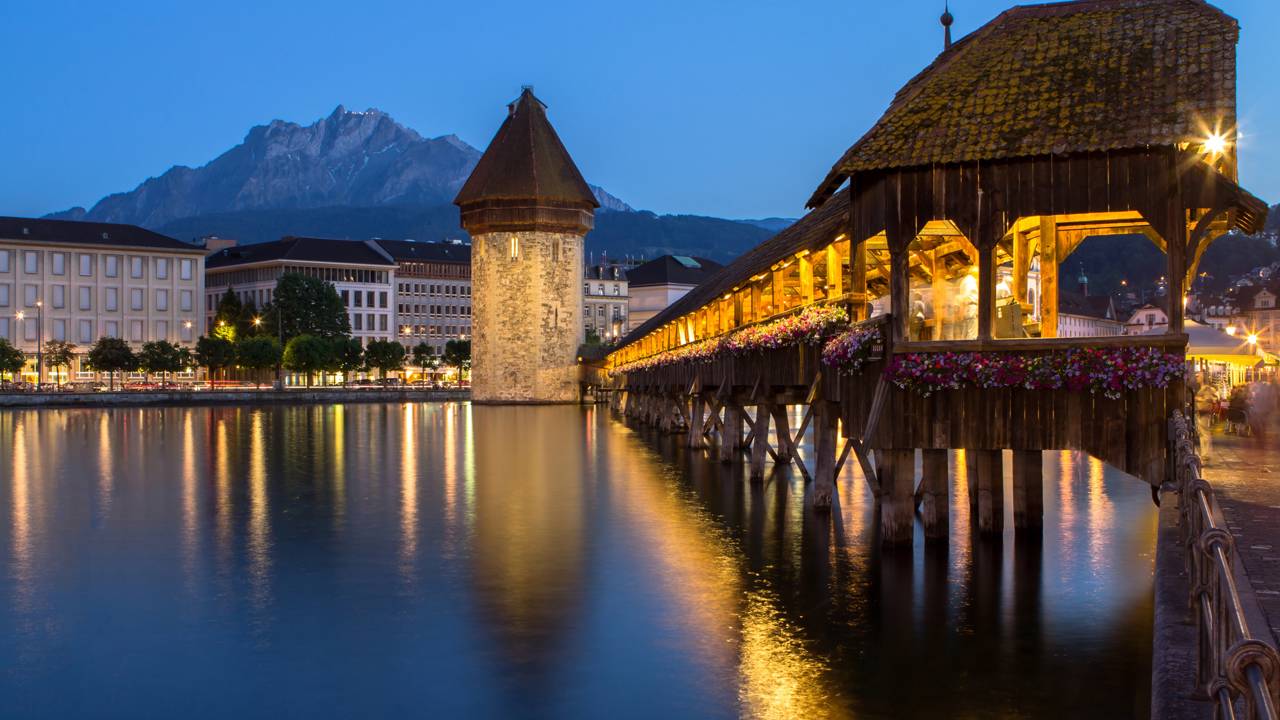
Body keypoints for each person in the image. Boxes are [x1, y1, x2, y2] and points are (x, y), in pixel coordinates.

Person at [1194, 373, 1218, 461]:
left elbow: (1208, 399)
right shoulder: (1201, 388)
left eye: (1198, 376)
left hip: (1204, 412)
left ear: (1203, 378)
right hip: (1200, 412)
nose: (1196, 378)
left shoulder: (1206, 388)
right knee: (1202, 433)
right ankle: (1204, 453)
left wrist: (1197, 399)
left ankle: (1206, 453)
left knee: (1205, 433)